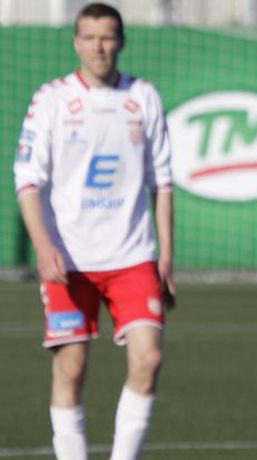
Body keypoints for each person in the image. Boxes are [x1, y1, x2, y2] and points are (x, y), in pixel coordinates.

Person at [13, 3, 174, 459]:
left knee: (149, 358)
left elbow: (162, 182)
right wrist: (43, 246)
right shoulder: (51, 100)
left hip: (132, 255)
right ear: (76, 42)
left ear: (121, 41)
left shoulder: (143, 97)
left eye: (106, 37)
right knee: (71, 367)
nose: (98, 47)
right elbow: (27, 181)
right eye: (89, 37)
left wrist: (166, 256)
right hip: (69, 258)